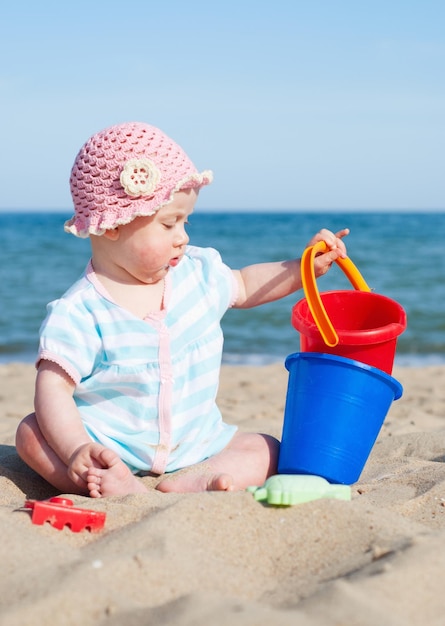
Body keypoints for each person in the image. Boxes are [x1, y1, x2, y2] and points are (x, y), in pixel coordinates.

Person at [15, 121, 349, 498]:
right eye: (169, 223)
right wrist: (77, 448)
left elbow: (243, 285)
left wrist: (302, 268)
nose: (183, 236)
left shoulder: (197, 273)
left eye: (185, 221)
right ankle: (113, 484)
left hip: (197, 445)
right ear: (113, 226)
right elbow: (53, 390)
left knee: (265, 448)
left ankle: (196, 482)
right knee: (31, 434)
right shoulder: (79, 312)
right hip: (110, 445)